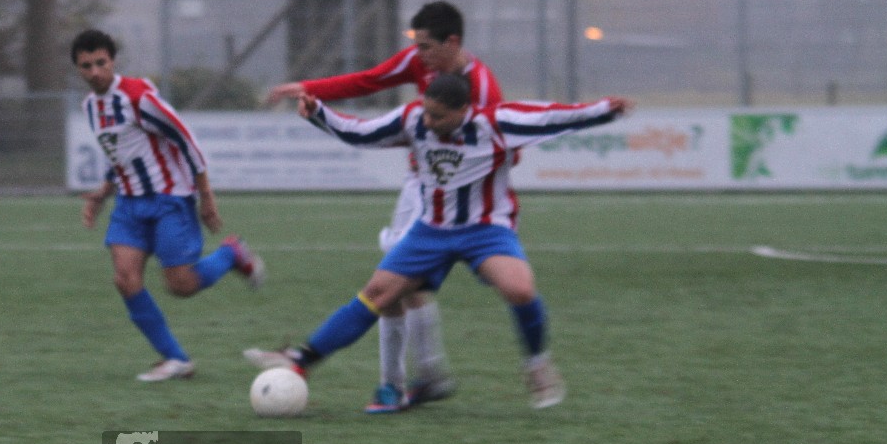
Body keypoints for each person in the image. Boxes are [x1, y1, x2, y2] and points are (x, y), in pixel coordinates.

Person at [247, 73, 634, 410]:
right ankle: (302, 362)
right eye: (426, 113)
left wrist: (604, 110)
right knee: (377, 294)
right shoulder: (414, 119)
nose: (428, 122)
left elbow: (553, 117)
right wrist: (318, 113)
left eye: (438, 116)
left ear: (464, 110)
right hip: (430, 231)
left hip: (485, 230)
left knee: (519, 288)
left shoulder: (497, 124)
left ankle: (537, 364)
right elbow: (362, 133)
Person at [263, 0, 502, 413]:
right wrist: (310, 90)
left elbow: (504, 148)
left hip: (457, 201)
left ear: (452, 42)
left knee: (396, 284)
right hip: (418, 189)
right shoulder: (419, 62)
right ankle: (418, 378)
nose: (418, 55)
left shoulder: (483, 90)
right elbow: (368, 81)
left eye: (426, 47)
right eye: (416, 45)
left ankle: (400, 380)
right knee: (401, 286)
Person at [73, 29, 264, 382]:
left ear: (113, 61)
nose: (95, 71)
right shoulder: (90, 107)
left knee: (181, 285)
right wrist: (103, 191)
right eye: (87, 66)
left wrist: (206, 196)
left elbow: (185, 139)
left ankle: (231, 253)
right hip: (129, 204)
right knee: (125, 279)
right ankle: (175, 359)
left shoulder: (138, 98)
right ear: (78, 69)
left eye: (101, 62)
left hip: (168, 198)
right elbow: (121, 154)